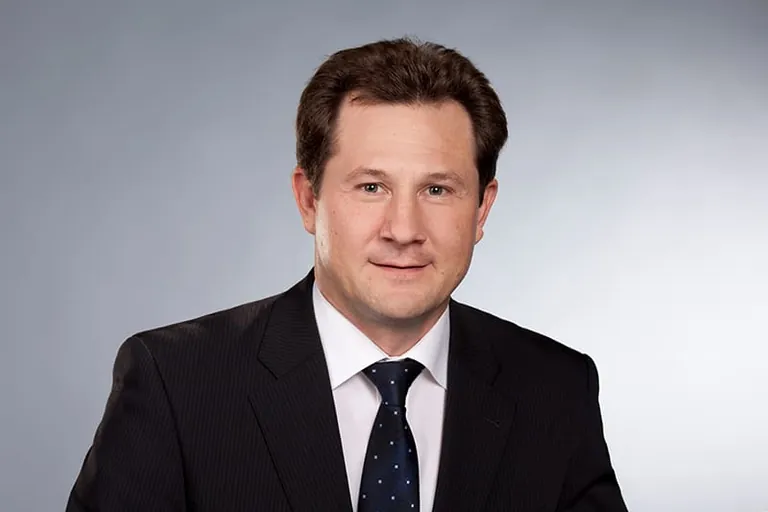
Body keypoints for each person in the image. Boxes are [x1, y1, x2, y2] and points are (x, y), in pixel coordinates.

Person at [66, 37, 628, 511]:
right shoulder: (178, 383)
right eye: (371, 187)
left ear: (482, 209)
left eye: (437, 189)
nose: (403, 229)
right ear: (308, 200)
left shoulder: (555, 390)